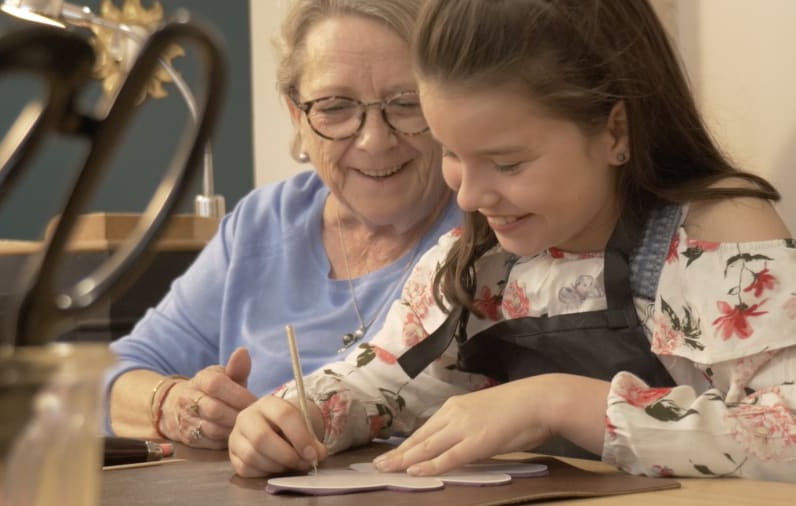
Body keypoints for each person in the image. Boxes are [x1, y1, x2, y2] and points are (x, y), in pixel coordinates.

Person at [228, 0, 796, 482]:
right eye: (451, 153)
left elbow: (787, 436)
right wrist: (294, 416)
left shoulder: (718, 237)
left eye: (507, 162)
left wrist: (557, 402)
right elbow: (384, 381)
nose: (470, 197)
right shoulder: (478, 260)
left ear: (615, 131)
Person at [104, 0, 460, 450]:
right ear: (297, 118)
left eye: (406, 103)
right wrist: (176, 405)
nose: (374, 140)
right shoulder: (262, 224)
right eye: (335, 108)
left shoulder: (490, 228)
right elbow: (112, 374)